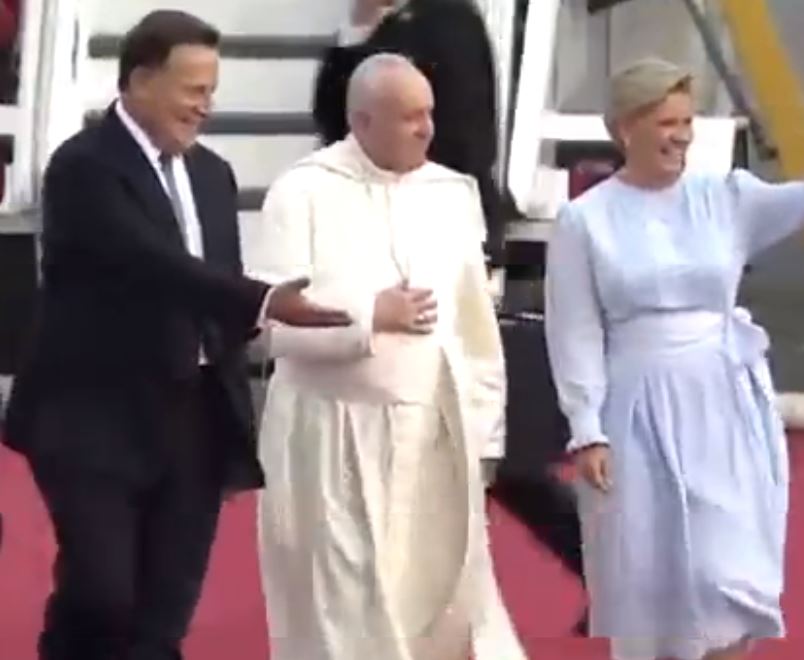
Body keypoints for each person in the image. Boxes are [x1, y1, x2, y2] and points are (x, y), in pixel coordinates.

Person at [0, 10, 351, 660]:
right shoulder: (83, 166)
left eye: (211, 91)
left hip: (192, 416)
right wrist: (264, 300)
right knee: (102, 594)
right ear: (141, 80)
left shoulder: (212, 174)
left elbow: (214, 286)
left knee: (164, 611)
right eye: (193, 89)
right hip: (93, 414)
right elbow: (152, 264)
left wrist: (247, 364)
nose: (204, 106)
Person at [544, 57, 804, 660]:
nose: (682, 136)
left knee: (728, 581)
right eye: (666, 123)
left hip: (725, 406)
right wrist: (586, 428)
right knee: (659, 587)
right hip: (636, 413)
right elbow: (575, 331)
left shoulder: (726, 196)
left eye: (687, 122)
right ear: (626, 129)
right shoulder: (584, 221)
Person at [246, 53, 527, 660]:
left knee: (445, 615)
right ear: (363, 122)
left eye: (429, 113)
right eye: (409, 117)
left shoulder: (451, 194)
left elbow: (476, 333)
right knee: (346, 621)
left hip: (434, 437)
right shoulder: (303, 191)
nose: (427, 129)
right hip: (331, 445)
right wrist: (368, 315)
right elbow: (268, 328)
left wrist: (486, 439)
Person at [311, 0, 506, 263]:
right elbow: (331, 120)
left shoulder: (449, 20)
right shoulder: (382, 24)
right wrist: (360, 29)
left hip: (436, 220)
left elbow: (465, 139)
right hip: (374, 215)